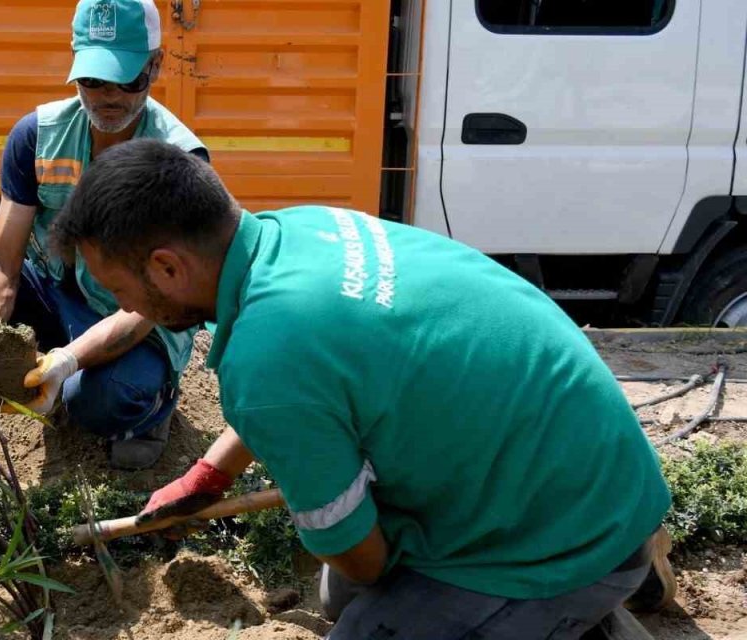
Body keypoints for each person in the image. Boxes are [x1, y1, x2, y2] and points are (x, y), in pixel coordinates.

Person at [49, 138, 677, 638]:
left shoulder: (271, 361)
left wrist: (356, 521)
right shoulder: (295, 233)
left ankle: (592, 593)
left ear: (167, 266)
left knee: (359, 605)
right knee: (339, 595)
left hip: (567, 527)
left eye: (123, 293)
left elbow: (365, 556)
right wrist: (207, 476)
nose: (126, 308)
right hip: (591, 461)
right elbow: (304, 387)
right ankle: (607, 572)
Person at [0, 0, 209, 471]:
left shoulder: (179, 164)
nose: (108, 95)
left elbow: (149, 309)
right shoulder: (37, 136)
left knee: (102, 401)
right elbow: (2, 267)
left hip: (133, 318)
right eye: (92, 79)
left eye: (126, 79)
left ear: (155, 65)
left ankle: (153, 411)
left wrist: (66, 362)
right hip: (55, 294)